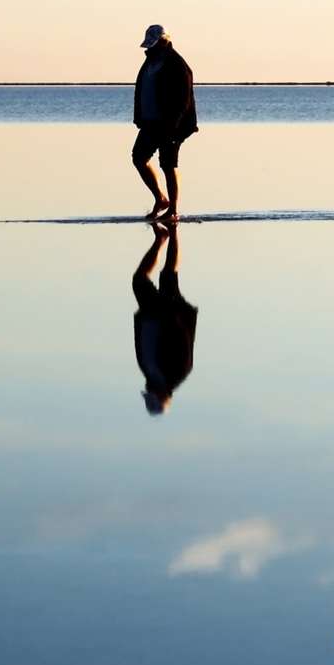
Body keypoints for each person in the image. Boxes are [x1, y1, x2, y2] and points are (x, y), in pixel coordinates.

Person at [131, 24, 197, 222]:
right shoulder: (149, 63)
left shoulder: (177, 64)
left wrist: (173, 125)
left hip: (172, 125)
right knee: (139, 158)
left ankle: (173, 210)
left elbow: (183, 100)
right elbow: (140, 90)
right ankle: (160, 199)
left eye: (154, 44)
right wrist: (139, 116)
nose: (150, 49)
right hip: (150, 122)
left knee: (168, 165)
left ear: (164, 41)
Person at [132, 222, 198, 415]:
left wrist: (141, 319)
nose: (148, 390)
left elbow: (143, 347)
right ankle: (172, 233)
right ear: (161, 395)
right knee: (168, 274)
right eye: (151, 394)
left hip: (152, 314)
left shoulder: (152, 376)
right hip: (167, 314)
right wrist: (173, 315)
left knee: (140, 279)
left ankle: (162, 238)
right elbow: (182, 340)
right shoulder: (178, 373)